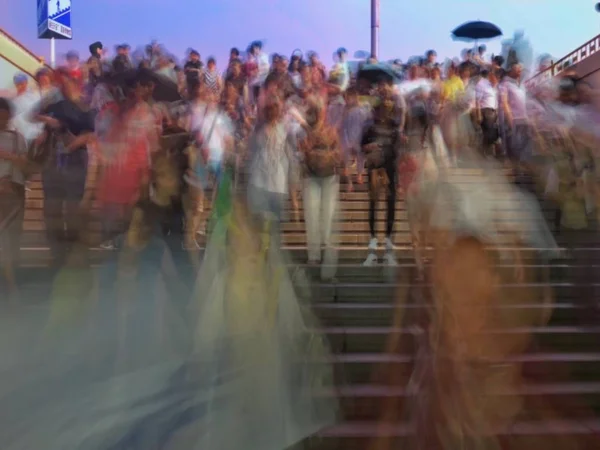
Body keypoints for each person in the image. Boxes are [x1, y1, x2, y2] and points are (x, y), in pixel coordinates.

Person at [298, 100, 341, 279]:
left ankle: (327, 252)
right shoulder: (303, 132)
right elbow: (300, 153)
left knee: (328, 215)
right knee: (312, 215)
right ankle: (314, 254)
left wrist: (326, 155)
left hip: (329, 176)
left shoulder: (331, 131)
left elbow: (338, 151)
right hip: (310, 176)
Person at [361, 96, 401, 266]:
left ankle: (389, 251)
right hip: (374, 169)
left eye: (388, 109)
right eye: (382, 109)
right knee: (373, 206)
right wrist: (368, 148)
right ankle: (372, 249)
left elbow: (399, 150)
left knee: (390, 207)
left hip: (390, 170)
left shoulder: (395, 128)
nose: (384, 112)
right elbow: (362, 146)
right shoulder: (370, 128)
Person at [0, 98, 33, 296]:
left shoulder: (17, 138)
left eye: (4, 115)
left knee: (12, 241)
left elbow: (25, 165)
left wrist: (7, 155)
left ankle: (13, 288)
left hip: (14, 191)